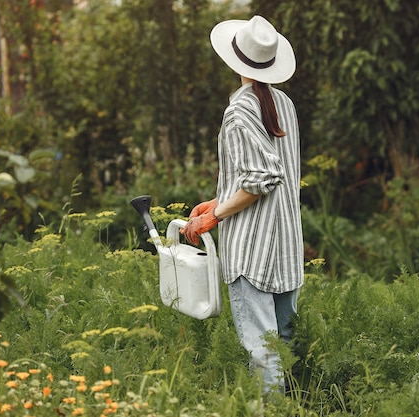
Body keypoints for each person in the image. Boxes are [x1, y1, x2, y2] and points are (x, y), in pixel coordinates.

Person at [181, 15, 304, 394]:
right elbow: (269, 175)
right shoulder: (284, 103)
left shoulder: (238, 112)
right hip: (286, 245)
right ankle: (290, 405)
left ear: (234, 60)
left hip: (252, 248)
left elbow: (261, 181)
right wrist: (216, 200)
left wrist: (213, 217)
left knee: (262, 348)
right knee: (281, 343)